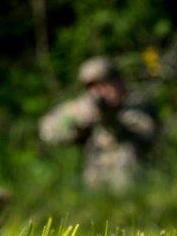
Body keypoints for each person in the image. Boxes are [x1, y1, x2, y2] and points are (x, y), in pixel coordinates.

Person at [40, 57, 156, 192]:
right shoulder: (83, 108)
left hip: (134, 186)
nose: (99, 90)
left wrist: (112, 118)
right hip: (95, 188)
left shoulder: (136, 105)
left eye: (105, 83)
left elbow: (147, 132)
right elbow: (48, 130)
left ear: (118, 81)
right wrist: (79, 127)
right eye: (91, 86)